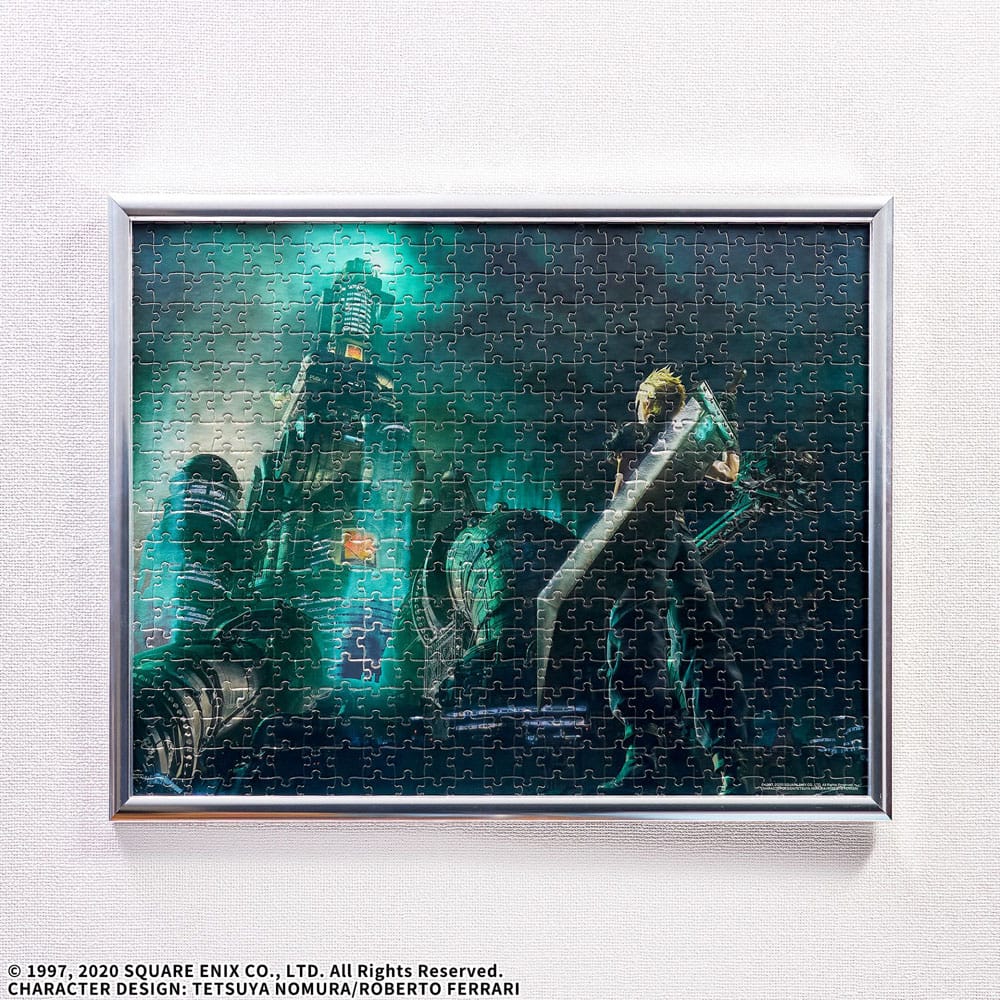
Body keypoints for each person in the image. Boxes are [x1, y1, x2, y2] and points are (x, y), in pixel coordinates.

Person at [601, 368, 748, 793]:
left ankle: (643, 760)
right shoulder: (687, 441)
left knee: (637, 636)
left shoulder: (636, 435)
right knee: (702, 637)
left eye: (640, 400)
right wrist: (726, 431)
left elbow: (621, 497)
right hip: (679, 539)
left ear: (647, 402)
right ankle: (729, 765)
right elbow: (730, 473)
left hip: (645, 534)